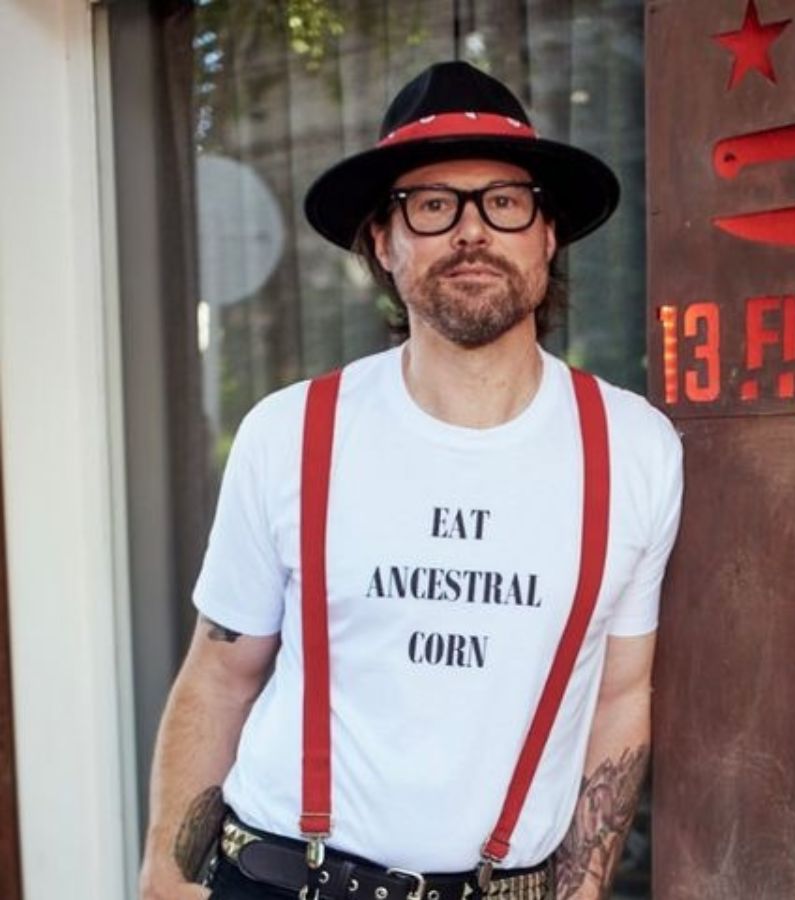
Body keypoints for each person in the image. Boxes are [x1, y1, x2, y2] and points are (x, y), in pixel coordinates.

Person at [138, 61, 683, 900]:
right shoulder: (291, 433)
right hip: (281, 878)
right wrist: (166, 885)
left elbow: (618, 697)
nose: (472, 231)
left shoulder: (635, 449)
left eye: (505, 201)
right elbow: (220, 676)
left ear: (547, 234)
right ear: (384, 244)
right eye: (431, 205)